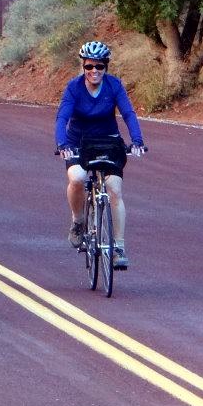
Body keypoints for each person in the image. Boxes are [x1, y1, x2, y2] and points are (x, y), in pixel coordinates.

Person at [55, 41, 146, 269]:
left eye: (99, 66)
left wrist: (137, 140)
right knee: (76, 178)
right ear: (83, 67)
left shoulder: (114, 86)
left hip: (108, 142)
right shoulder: (74, 88)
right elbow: (62, 118)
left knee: (115, 189)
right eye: (89, 67)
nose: (94, 71)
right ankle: (78, 221)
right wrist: (62, 143)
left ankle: (118, 248)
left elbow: (128, 113)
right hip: (79, 143)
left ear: (106, 67)